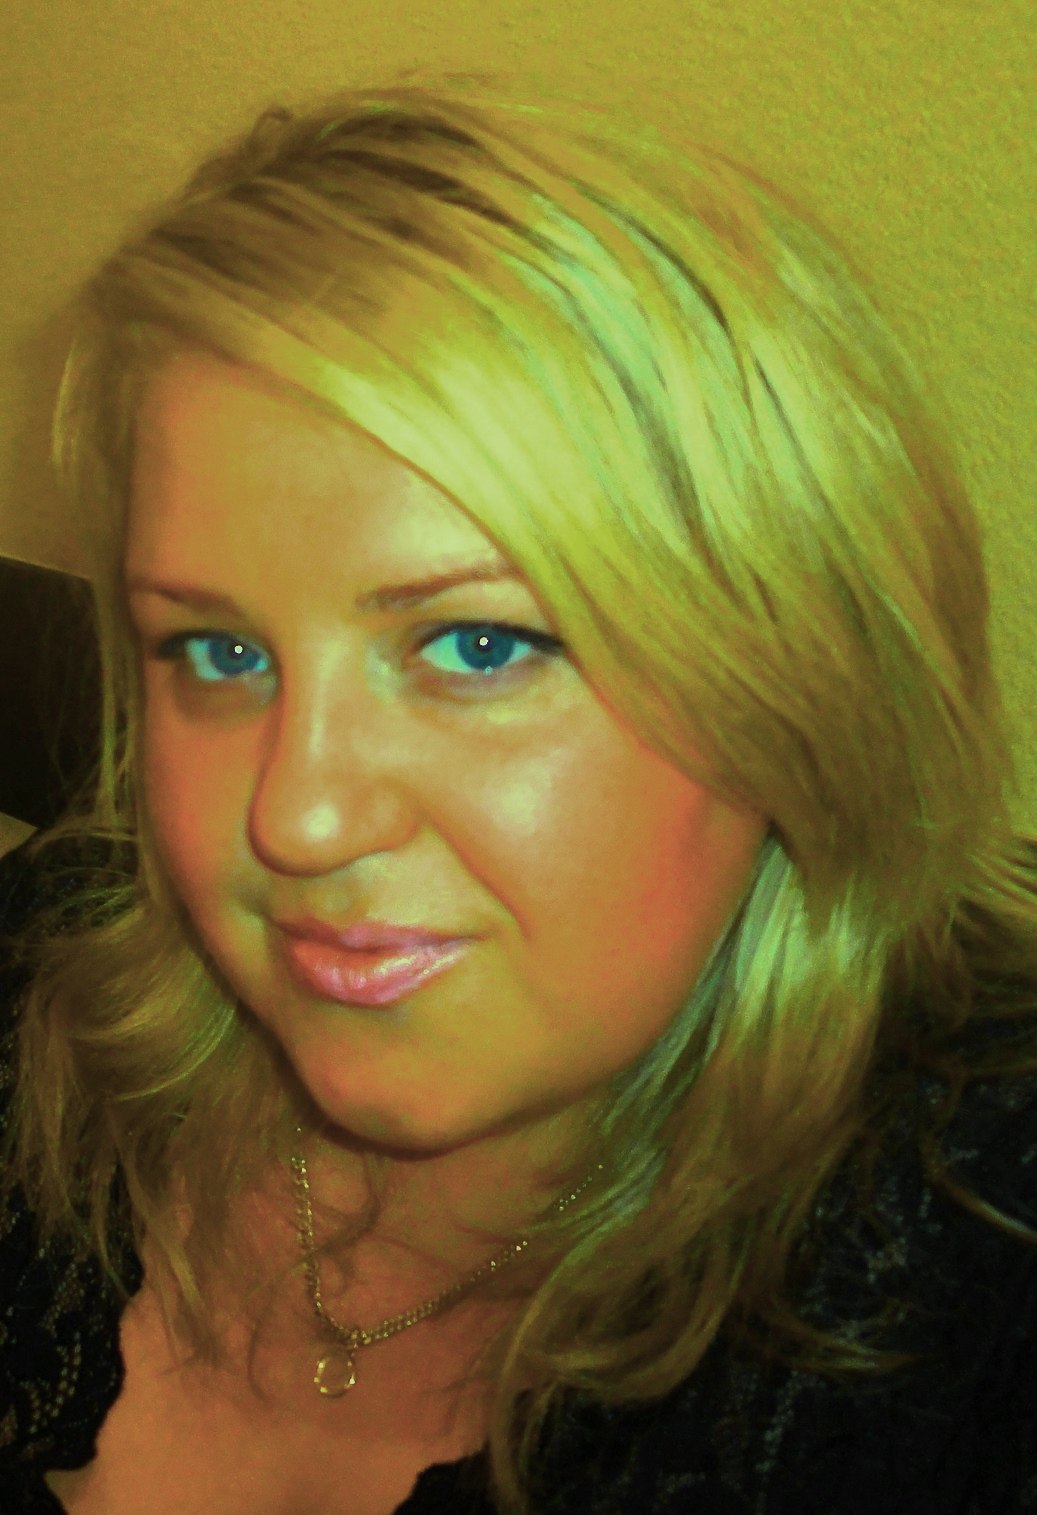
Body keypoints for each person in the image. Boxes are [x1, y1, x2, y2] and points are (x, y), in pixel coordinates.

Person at [1, 67, 1035, 1515]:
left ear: (800, 692)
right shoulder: (41, 999)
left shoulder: (976, 1281)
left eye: (478, 647)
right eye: (219, 652)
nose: (296, 818)